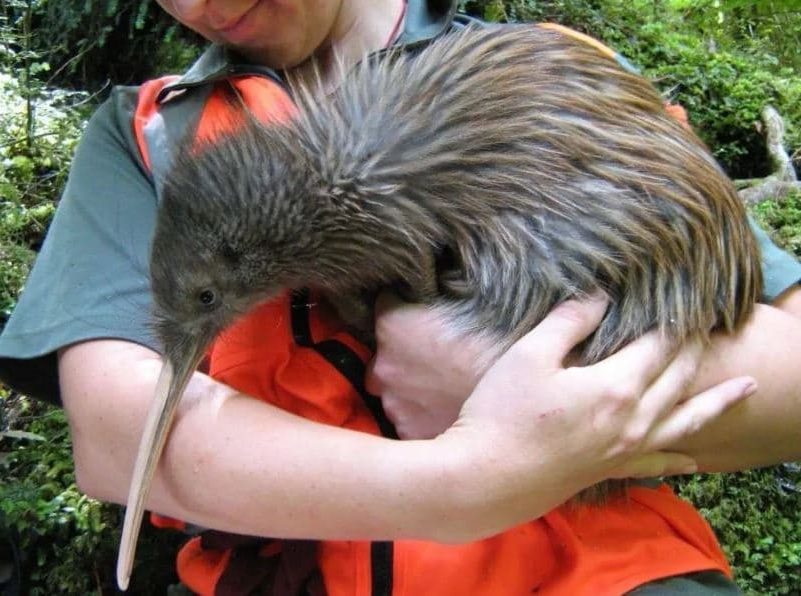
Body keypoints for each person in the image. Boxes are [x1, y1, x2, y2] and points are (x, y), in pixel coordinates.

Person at [1, 0, 800, 593]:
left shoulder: (546, 69)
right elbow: (115, 438)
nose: (205, 4)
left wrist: (489, 371)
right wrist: (461, 483)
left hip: (608, 571)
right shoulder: (147, 133)